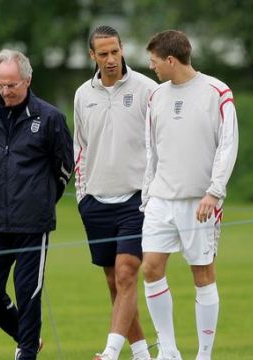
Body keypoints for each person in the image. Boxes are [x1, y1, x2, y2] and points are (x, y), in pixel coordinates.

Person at [141, 30, 238, 360]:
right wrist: (147, 194)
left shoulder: (217, 92)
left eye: (154, 61)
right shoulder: (156, 97)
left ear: (170, 60)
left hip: (200, 202)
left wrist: (214, 192)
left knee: (203, 274)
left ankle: (204, 355)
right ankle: (168, 351)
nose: (151, 66)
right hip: (160, 200)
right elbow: (151, 150)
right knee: (150, 268)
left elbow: (227, 145)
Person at [0, 49, 74, 360]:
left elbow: (65, 167)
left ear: (27, 81)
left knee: (28, 293)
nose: (6, 91)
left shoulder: (50, 118)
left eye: (12, 85)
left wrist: (41, 198)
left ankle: (26, 352)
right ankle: (26, 336)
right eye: (0, 85)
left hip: (33, 221)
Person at [73, 25, 158, 360]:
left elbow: (159, 145)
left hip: (136, 200)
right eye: (103, 54)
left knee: (126, 272)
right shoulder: (83, 94)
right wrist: (82, 195)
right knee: (114, 282)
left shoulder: (147, 90)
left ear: (123, 49)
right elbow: (79, 146)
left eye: (115, 51)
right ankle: (141, 353)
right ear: (92, 56)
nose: (110, 59)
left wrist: (152, 191)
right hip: (95, 201)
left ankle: (109, 353)